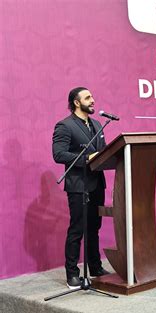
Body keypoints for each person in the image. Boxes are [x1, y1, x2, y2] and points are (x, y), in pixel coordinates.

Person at [52, 87, 109, 289]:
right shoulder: (65, 126)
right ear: (77, 102)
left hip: (97, 184)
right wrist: (86, 158)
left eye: (92, 96)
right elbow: (58, 154)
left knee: (95, 228)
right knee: (78, 230)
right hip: (78, 186)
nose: (93, 100)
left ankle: (95, 266)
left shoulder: (96, 124)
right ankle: (72, 274)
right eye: (88, 98)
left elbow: (104, 152)